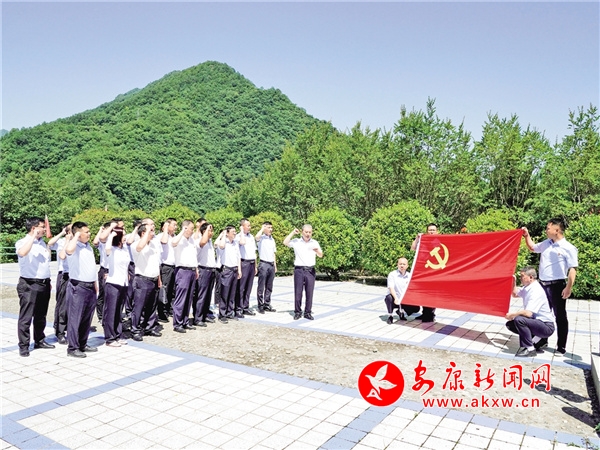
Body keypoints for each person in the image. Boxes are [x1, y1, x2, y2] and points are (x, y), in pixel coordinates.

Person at [522, 218, 578, 355]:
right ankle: (541, 340)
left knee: (560, 316)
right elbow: (532, 248)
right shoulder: (546, 243)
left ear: (557, 230)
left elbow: (572, 269)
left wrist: (568, 287)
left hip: (557, 286)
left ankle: (561, 346)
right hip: (543, 285)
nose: (546, 231)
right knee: (541, 315)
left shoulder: (568, 248)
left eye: (548, 228)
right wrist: (526, 235)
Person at [15, 217, 55, 357]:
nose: (44, 229)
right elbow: (22, 253)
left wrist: (48, 280)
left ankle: (39, 340)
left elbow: (45, 264)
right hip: (29, 284)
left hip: (44, 283)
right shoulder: (22, 242)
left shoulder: (42, 243)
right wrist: (32, 237)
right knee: (26, 317)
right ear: (34, 228)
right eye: (42, 227)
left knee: (41, 315)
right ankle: (24, 345)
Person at [64, 221, 98, 358]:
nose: (89, 234)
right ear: (78, 233)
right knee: (75, 318)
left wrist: (95, 283)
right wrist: (76, 236)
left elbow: (91, 267)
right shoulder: (73, 246)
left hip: (90, 286)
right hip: (78, 286)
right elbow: (68, 251)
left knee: (86, 318)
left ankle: (82, 343)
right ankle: (73, 348)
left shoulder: (88, 247)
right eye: (86, 232)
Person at [506, 266, 556, 357]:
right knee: (511, 325)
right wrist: (513, 281)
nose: (521, 278)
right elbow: (514, 294)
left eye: (522, 276)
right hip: (538, 322)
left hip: (546, 326)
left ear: (531, 277)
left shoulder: (535, 291)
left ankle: (530, 349)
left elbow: (528, 313)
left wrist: (512, 314)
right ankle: (536, 341)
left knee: (519, 320)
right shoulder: (528, 287)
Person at [130, 219, 162, 341]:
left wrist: (159, 278)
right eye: (150, 231)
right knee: (139, 306)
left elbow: (156, 263)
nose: (153, 233)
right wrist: (147, 230)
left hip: (153, 278)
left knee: (152, 306)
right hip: (142, 279)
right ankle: (135, 329)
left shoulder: (153, 245)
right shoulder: (135, 244)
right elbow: (140, 247)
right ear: (143, 233)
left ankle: (149, 326)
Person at [284, 225, 323, 320]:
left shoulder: (314, 242)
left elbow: (321, 255)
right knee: (298, 293)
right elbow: (285, 242)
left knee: (309, 293)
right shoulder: (296, 241)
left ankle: (307, 312)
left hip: (310, 270)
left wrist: (317, 251)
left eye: (310, 232)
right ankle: (297, 312)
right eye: (306, 232)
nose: (308, 234)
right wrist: (293, 233)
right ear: (302, 232)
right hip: (299, 270)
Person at [102, 226, 130, 347]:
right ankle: (110, 337)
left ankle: (118, 334)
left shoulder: (124, 249)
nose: (125, 237)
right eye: (123, 235)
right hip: (113, 283)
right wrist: (112, 235)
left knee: (119, 311)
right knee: (111, 311)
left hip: (123, 282)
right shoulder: (111, 249)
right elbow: (107, 248)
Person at [171, 220, 198, 333]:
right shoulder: (179, 239)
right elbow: (173, 243)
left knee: (188, 298)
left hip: (191, 270)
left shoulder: (191, 240)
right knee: (181, 298)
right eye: (191, 228)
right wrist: (182, 231)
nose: (192, 231)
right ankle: (177, 323)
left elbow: (194, 256)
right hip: (182, 270)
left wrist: (196, 269)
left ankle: (185, 321)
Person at [409, 222, 439, 322]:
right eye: (430, 230)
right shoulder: (423, 240)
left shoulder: (440, 241)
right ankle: (425, 313)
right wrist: (417, 238)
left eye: (433, 230)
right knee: (423, 293)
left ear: (437, 231)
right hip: (423, 272)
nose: (431, 232)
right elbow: (413, 248)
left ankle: (430, 314)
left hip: (434, 272)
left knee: (432, 294)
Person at [49, 224, 70, 345]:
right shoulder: (61, 242)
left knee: (72, 305)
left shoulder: (78, 243)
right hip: (64, 274)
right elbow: (50, 243)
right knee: (62, 305)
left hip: (75, 276)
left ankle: (70, 329)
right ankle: (60, 331)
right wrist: (63, 234)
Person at [215, 226, 242, 323]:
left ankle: (230, 312)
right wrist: (223, 235)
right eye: (233, 231)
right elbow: (221, 246)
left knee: (232, 293)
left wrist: (239, 270)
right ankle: (222, 314)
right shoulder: (223, 242)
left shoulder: (235, 243)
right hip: (226, 270)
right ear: (227, 233)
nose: (235, 233)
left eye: (235, 231)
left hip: (234, 269)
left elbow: (238, 257)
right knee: (224, 293)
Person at [194, 222, 217, 326]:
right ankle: (198, 318)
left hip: (211, 270)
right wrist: (206, 229)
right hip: (203, 270)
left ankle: (204, 315)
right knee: (202, 295)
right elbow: (202, 242)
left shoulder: (210, 241)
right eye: (209, 230)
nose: (211, 232)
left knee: (208, 295)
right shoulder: (200, 240)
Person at [384, 258, 419, 324]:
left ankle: (401, 312)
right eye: (400, 264)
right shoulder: (392, 274)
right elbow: (391, 288)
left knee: (416, 308)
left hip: (404, 298)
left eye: (404, 264)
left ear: (407, 266)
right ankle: (390, 316)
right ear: (397, 265)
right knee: (389, 297)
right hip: (394, 298)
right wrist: (396, 298)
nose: (402, 266)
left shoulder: (409, 276)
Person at [157, 218, 178, 323]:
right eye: (174, 225)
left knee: (172, 290)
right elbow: (164, 241)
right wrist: (165, 229)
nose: (176, 227)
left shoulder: (175, 237)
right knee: (164, 290)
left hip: (174, 266)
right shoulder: (161, 235)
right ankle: (162, 312)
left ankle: (169, 309)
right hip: (166, 266)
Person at [236, 218, 257, 316]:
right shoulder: (238, 237)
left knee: (249, 287)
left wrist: (255, 266)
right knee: (241, 287)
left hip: (251, 263)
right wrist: (241, 232)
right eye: (248, 226)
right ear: (242, 226)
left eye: (250, 225)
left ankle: (245, 307)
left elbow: (254, 252)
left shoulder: (251, 237)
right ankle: (238, 308)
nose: (250, 227)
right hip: (244, 263)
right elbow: (242, 243)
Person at [255, 221, 277, 314]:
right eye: (268, 227)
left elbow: (273, 253)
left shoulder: (272, 239)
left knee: (269, 286)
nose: (270, 229)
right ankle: (260, 306)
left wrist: (275, 265)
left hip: (271, 264)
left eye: (271, 227)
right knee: (261, 286)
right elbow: (256, 237)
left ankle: (267, 304)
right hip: (263, 264)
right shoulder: (261, 238)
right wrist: (262, 228)